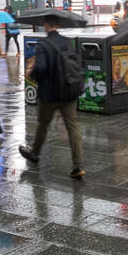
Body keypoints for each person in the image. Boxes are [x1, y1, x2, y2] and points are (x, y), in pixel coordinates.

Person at [19, 15, 85, 180]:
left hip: (49, 94)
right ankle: (77, 165)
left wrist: (30, 72)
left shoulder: (43, 45)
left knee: (43, 124)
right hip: (68, 92)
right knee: (73, 127)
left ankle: (34, 153)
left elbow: (41, 68)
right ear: (59, 25)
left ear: (46, 25)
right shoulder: (66, 42)